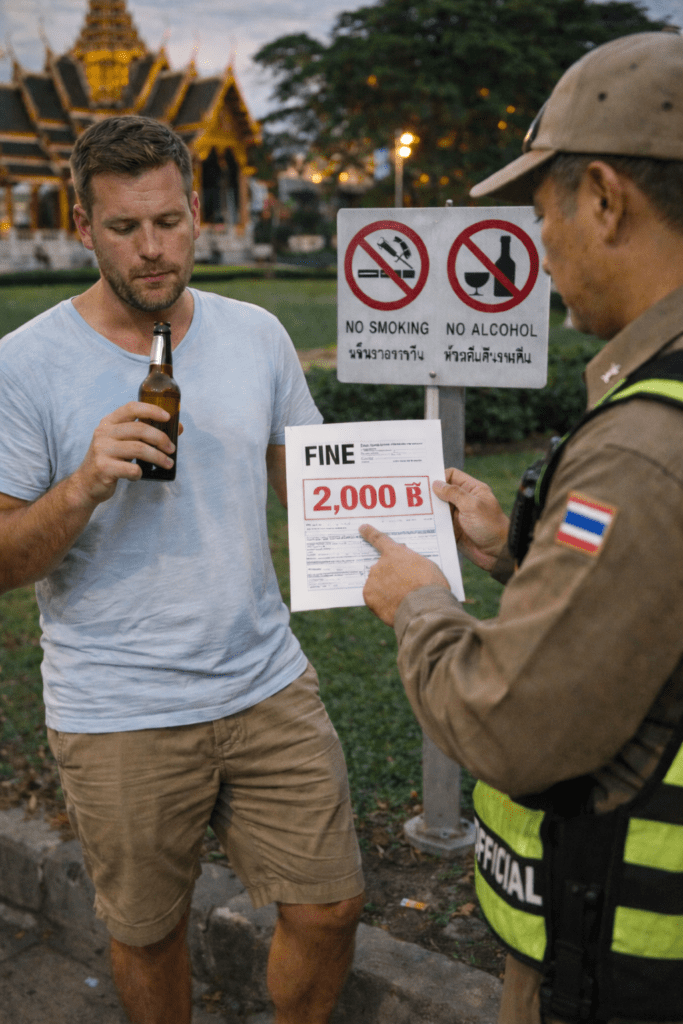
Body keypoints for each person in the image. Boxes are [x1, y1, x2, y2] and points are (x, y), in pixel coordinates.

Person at [0, 115, 364, 1024]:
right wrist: (84, 483)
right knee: (149, 932)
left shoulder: (256, 334)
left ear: (197, 211)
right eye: (124, 227)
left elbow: (312, 485)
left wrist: (422, 510)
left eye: (167, 221)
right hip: (119, 703)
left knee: (329, 906)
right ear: (83, 227)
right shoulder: (25, 364)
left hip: (265, 678)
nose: (152, 248)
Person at [361, 30, 683, 1024]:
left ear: (604, 199)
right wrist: (512, 553)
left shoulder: (641, 447)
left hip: (622, 964)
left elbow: (509, 722)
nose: (535, 248)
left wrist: (418, 604)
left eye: (542, 214)